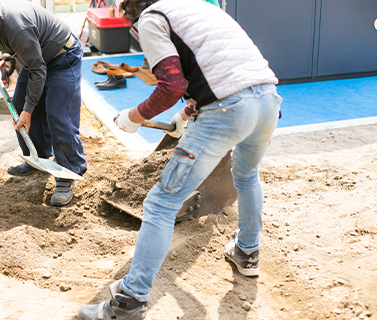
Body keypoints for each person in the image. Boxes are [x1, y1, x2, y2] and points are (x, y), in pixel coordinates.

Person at [77, 0, 282, 319]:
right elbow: (214, 67)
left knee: (161, 203)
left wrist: (133, 116)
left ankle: (129, 302)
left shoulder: (150, 19)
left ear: (131, 13)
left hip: (227, 111)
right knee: (246, 176)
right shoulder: (196, 7)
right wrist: (186, 113)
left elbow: (171, 84)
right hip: (268, 101)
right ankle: (247, 252)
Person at [0, 0, 87, 206]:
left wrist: (29, 111)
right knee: (19, 104)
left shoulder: (17, 26)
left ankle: (68, 175)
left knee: (58, 116)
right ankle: (38, 157)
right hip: (35, 58)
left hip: (62, 57)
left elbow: (38, 71)